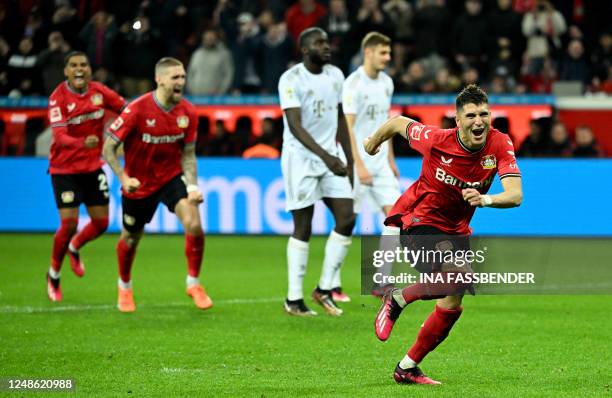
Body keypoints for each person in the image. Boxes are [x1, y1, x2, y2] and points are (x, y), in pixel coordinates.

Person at [365, 85, 522, 384]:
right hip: (418, 221)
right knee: (459, 276)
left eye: (484, 114)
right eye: (471, 115)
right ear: (458, 120)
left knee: (453, 302)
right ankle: (397, 298)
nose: (479, 121)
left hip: (455, 231)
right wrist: (372, 143)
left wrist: (485, 199)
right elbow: (398, 123)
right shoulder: (436, 139)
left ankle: (407, 367)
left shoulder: (500, 144)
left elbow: (515, 195)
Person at [103, 57, 211, 313]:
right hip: (138, 183)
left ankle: (193, 283)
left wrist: (193, 186)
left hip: (171, 178)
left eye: (183, 77)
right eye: (175, 77)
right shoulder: (137, 110)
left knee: (194, 224)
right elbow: (108, 148)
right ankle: (125, 286)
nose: (181, 82)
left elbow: (188, 153)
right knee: (130, 238)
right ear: (159, 79)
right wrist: (123, 178)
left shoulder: (188, 112)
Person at [278, 27, 355, 317]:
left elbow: (338, 119)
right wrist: (326, 156)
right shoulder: (291, 79)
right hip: (300, 160)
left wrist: (349, 160)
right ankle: (293, 299)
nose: (326, 46)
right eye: (319, 43)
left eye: (327, 41)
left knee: (347, 218)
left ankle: (324, 289)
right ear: (304, 48)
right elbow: (295, 126)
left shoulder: (336, 75)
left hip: (331, 159)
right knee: (304, 226)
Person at [46, 51, 126, 302]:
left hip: (92, 167)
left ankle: (74, 246)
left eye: (84, 65)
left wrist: (124, 128)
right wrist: (84, 142)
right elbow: (60, 137)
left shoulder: (99, 92)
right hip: (64, 170)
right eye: (73, 65)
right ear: (66, 71)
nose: (79, 69)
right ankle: (54, 274)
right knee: (68, 223)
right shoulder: (57, 98)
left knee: (102, 223)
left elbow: (126, 109)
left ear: (90, 69)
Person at [342, 31, 400, 299]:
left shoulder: (387, 83)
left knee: (396, 217)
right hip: (357, 163)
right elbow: (348, 129)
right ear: (368, 52)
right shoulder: (353, 84)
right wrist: (358, 164)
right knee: (346, 222)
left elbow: (385, 126)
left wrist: (390, 159)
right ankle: (329, 284)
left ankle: (381, 281)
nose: (388, 58)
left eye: (389, 53)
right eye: (383, 53)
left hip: (380, 164)